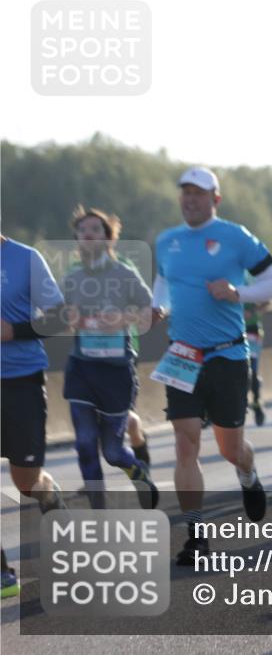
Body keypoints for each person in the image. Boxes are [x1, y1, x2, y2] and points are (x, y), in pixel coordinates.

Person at [152, 166, 272, 565]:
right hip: (183, 354)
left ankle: (248, 472)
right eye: (185, 193)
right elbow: (163, 285)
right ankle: (196, 536)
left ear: (215, 199)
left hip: (228, 355)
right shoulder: (166, 240)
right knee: (185, 443)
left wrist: (237, 292)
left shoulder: (235, 236)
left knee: (230, 448)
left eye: (199, 193)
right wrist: (158, 307)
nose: (190, 199)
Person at [62, 207, 158, 509]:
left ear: (108, 238)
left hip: (116, 371)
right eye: (83, 230)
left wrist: (122, 317)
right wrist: (67, 317)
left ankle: (136, 470)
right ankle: (98, 513)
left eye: (95, 229)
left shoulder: (124, 274)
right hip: (81, 368)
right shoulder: (72, 277)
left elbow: (151, 312)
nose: (88, 234)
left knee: (113, 452)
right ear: (77, 238)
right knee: (85, 443)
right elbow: (56, 315)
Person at [1, 235, 69, 517]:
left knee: (26, 481)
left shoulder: (26, 258)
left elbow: (60, 317)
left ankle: (47, 492)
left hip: (21, 379)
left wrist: (13, 331)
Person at [244, 299, 268, 426]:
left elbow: (267, 300)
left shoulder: (251, 278)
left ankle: (257, 403)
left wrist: (252, 311)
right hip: (231, 330)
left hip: (251, 331)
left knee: (251, 370)